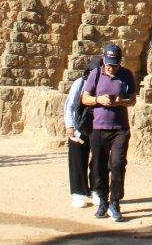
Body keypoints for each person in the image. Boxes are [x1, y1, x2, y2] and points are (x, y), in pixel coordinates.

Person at [81, 44, 137, 222]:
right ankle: (103, 202)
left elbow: (132, 100)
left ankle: (115, 202)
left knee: (118, 164)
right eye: (108, 63)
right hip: (98, 128)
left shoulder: (127, 75)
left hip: (120, 128)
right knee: (99, 166)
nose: (110, 67)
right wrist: (99, 99)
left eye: (114, 64)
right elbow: (84, 98)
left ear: (120, 62)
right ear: (103, 60)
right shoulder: (95, 74)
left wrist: (121, 102)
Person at [65, 55, 103, 208]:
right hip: (79, 127)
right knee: (77, 160)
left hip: (98, 127)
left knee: (99, 161)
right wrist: (69, 126)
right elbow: (70, 105)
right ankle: (78, 193)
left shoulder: (104, 85)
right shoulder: (80, 83)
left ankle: (96, 191)